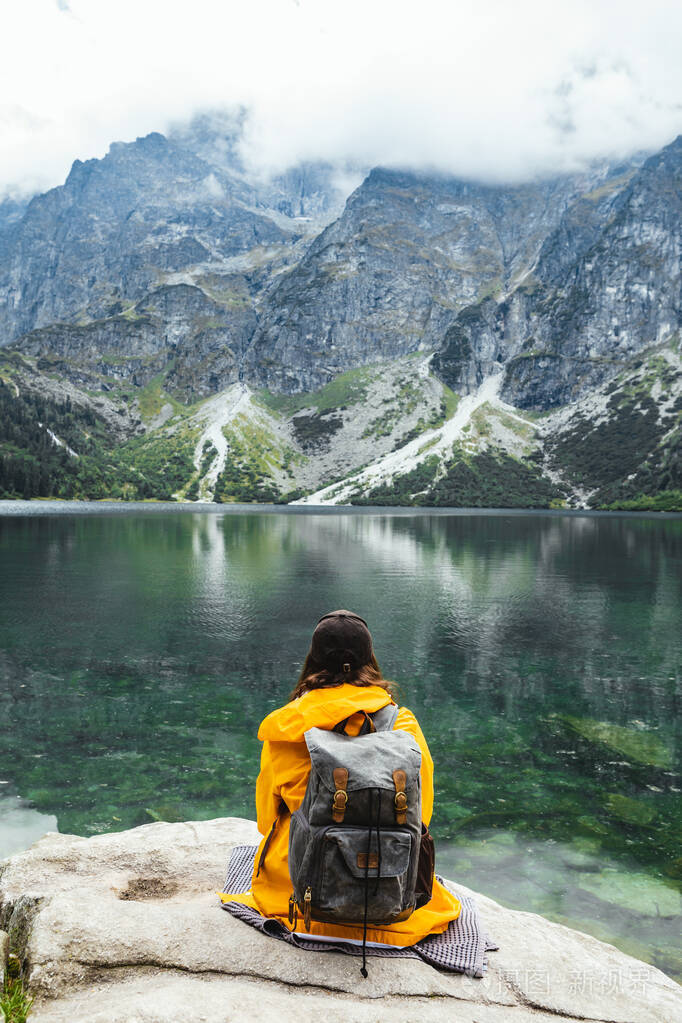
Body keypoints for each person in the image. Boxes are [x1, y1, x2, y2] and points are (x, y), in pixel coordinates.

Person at [220, 609, 461, 948]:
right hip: (392, 891)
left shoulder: (287, 725)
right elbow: (422, 815)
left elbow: (266, 819)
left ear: (313, 659)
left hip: (298, 896)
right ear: (368, 659)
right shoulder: (402, 723)